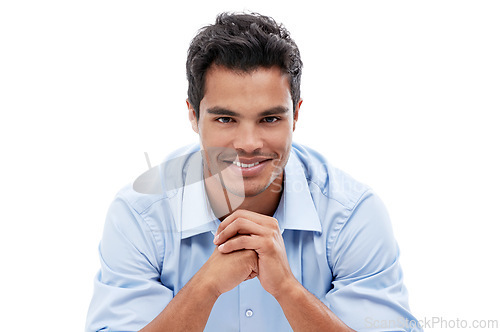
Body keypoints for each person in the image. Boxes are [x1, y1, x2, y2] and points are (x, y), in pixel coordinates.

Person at [86, 12, 421, 332]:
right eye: (225, 119)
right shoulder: (140, 215)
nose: (248, 144)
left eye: (270, 119)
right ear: (192, 116)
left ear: (296, 115)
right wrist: (206, 286)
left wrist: (288, 290)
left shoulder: (352, 214)